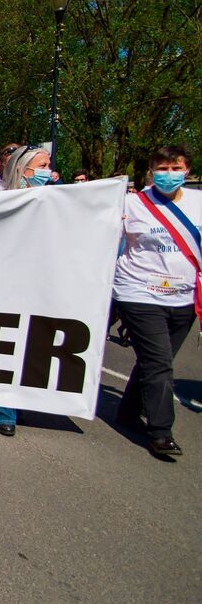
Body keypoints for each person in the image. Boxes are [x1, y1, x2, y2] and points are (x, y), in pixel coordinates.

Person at [112, 145, 198, 457]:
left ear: (187, 169)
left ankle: (127, 411)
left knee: (155, 360)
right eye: (162, 168)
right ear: (151, 170)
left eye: (176, 168)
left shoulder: (199, 203)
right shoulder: (132, 204)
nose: (169, 174)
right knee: (159, 361)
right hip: (138, 292)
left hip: (185, 297)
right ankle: (161, 431)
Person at [0, 145, 55, 437]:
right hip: (4, 283)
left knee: (35, 344)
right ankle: (3, 410)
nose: (47, 170)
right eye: (41, 165)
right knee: (5, 345)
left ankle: (28, 398)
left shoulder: (60, 200)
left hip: (41, 281)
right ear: (23, 170)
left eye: (49, 164)